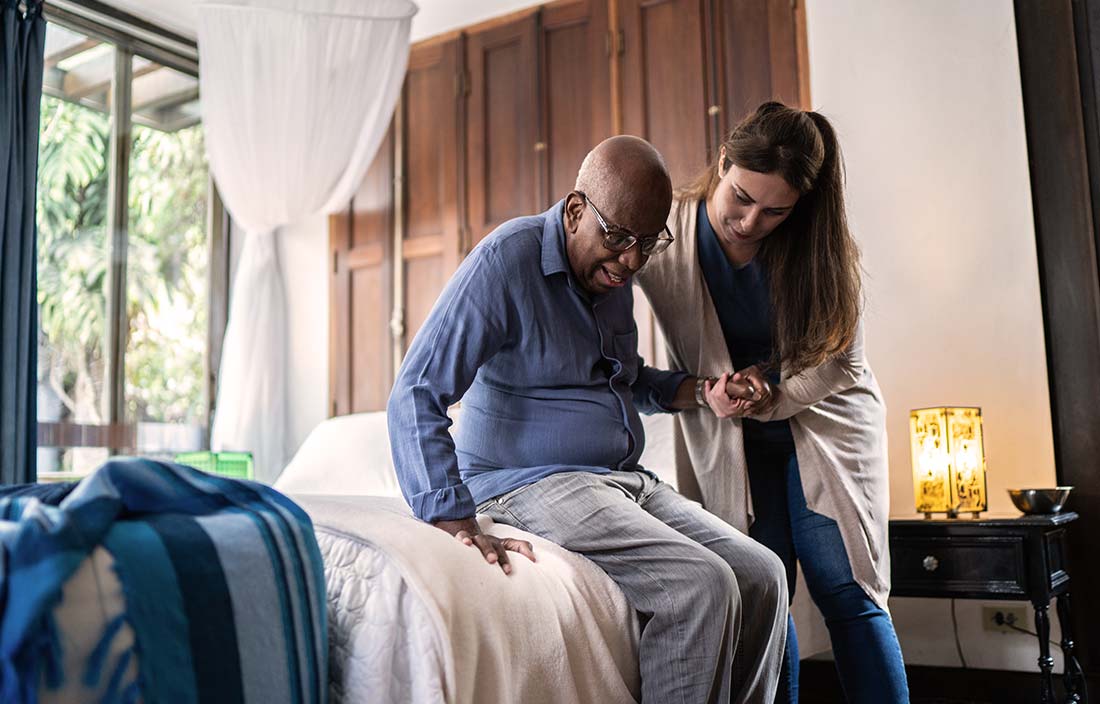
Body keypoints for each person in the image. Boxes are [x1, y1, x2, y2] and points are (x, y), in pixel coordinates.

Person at [388, 135, 788, 704]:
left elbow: (625, 379)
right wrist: (453, 519)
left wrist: (699, 391)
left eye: (647, 243)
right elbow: (416, 391)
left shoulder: (609, 275)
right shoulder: (506, 262)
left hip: (623, 482)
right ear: (576, 211)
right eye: (619, 238)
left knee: (762, 574)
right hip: (529, 481)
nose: (631, 260)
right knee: (701, 586)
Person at [636, 101, 909, 703]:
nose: (751, 221)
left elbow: (843, 362)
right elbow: (605, 305)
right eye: (741, 197)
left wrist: (772, 394)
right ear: (723, 163)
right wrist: (704, 393)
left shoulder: (820, 246)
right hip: (730, 435)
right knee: (765, 591)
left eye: (775, 211)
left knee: (846, 590)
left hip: (826, 424)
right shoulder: (666, 235)